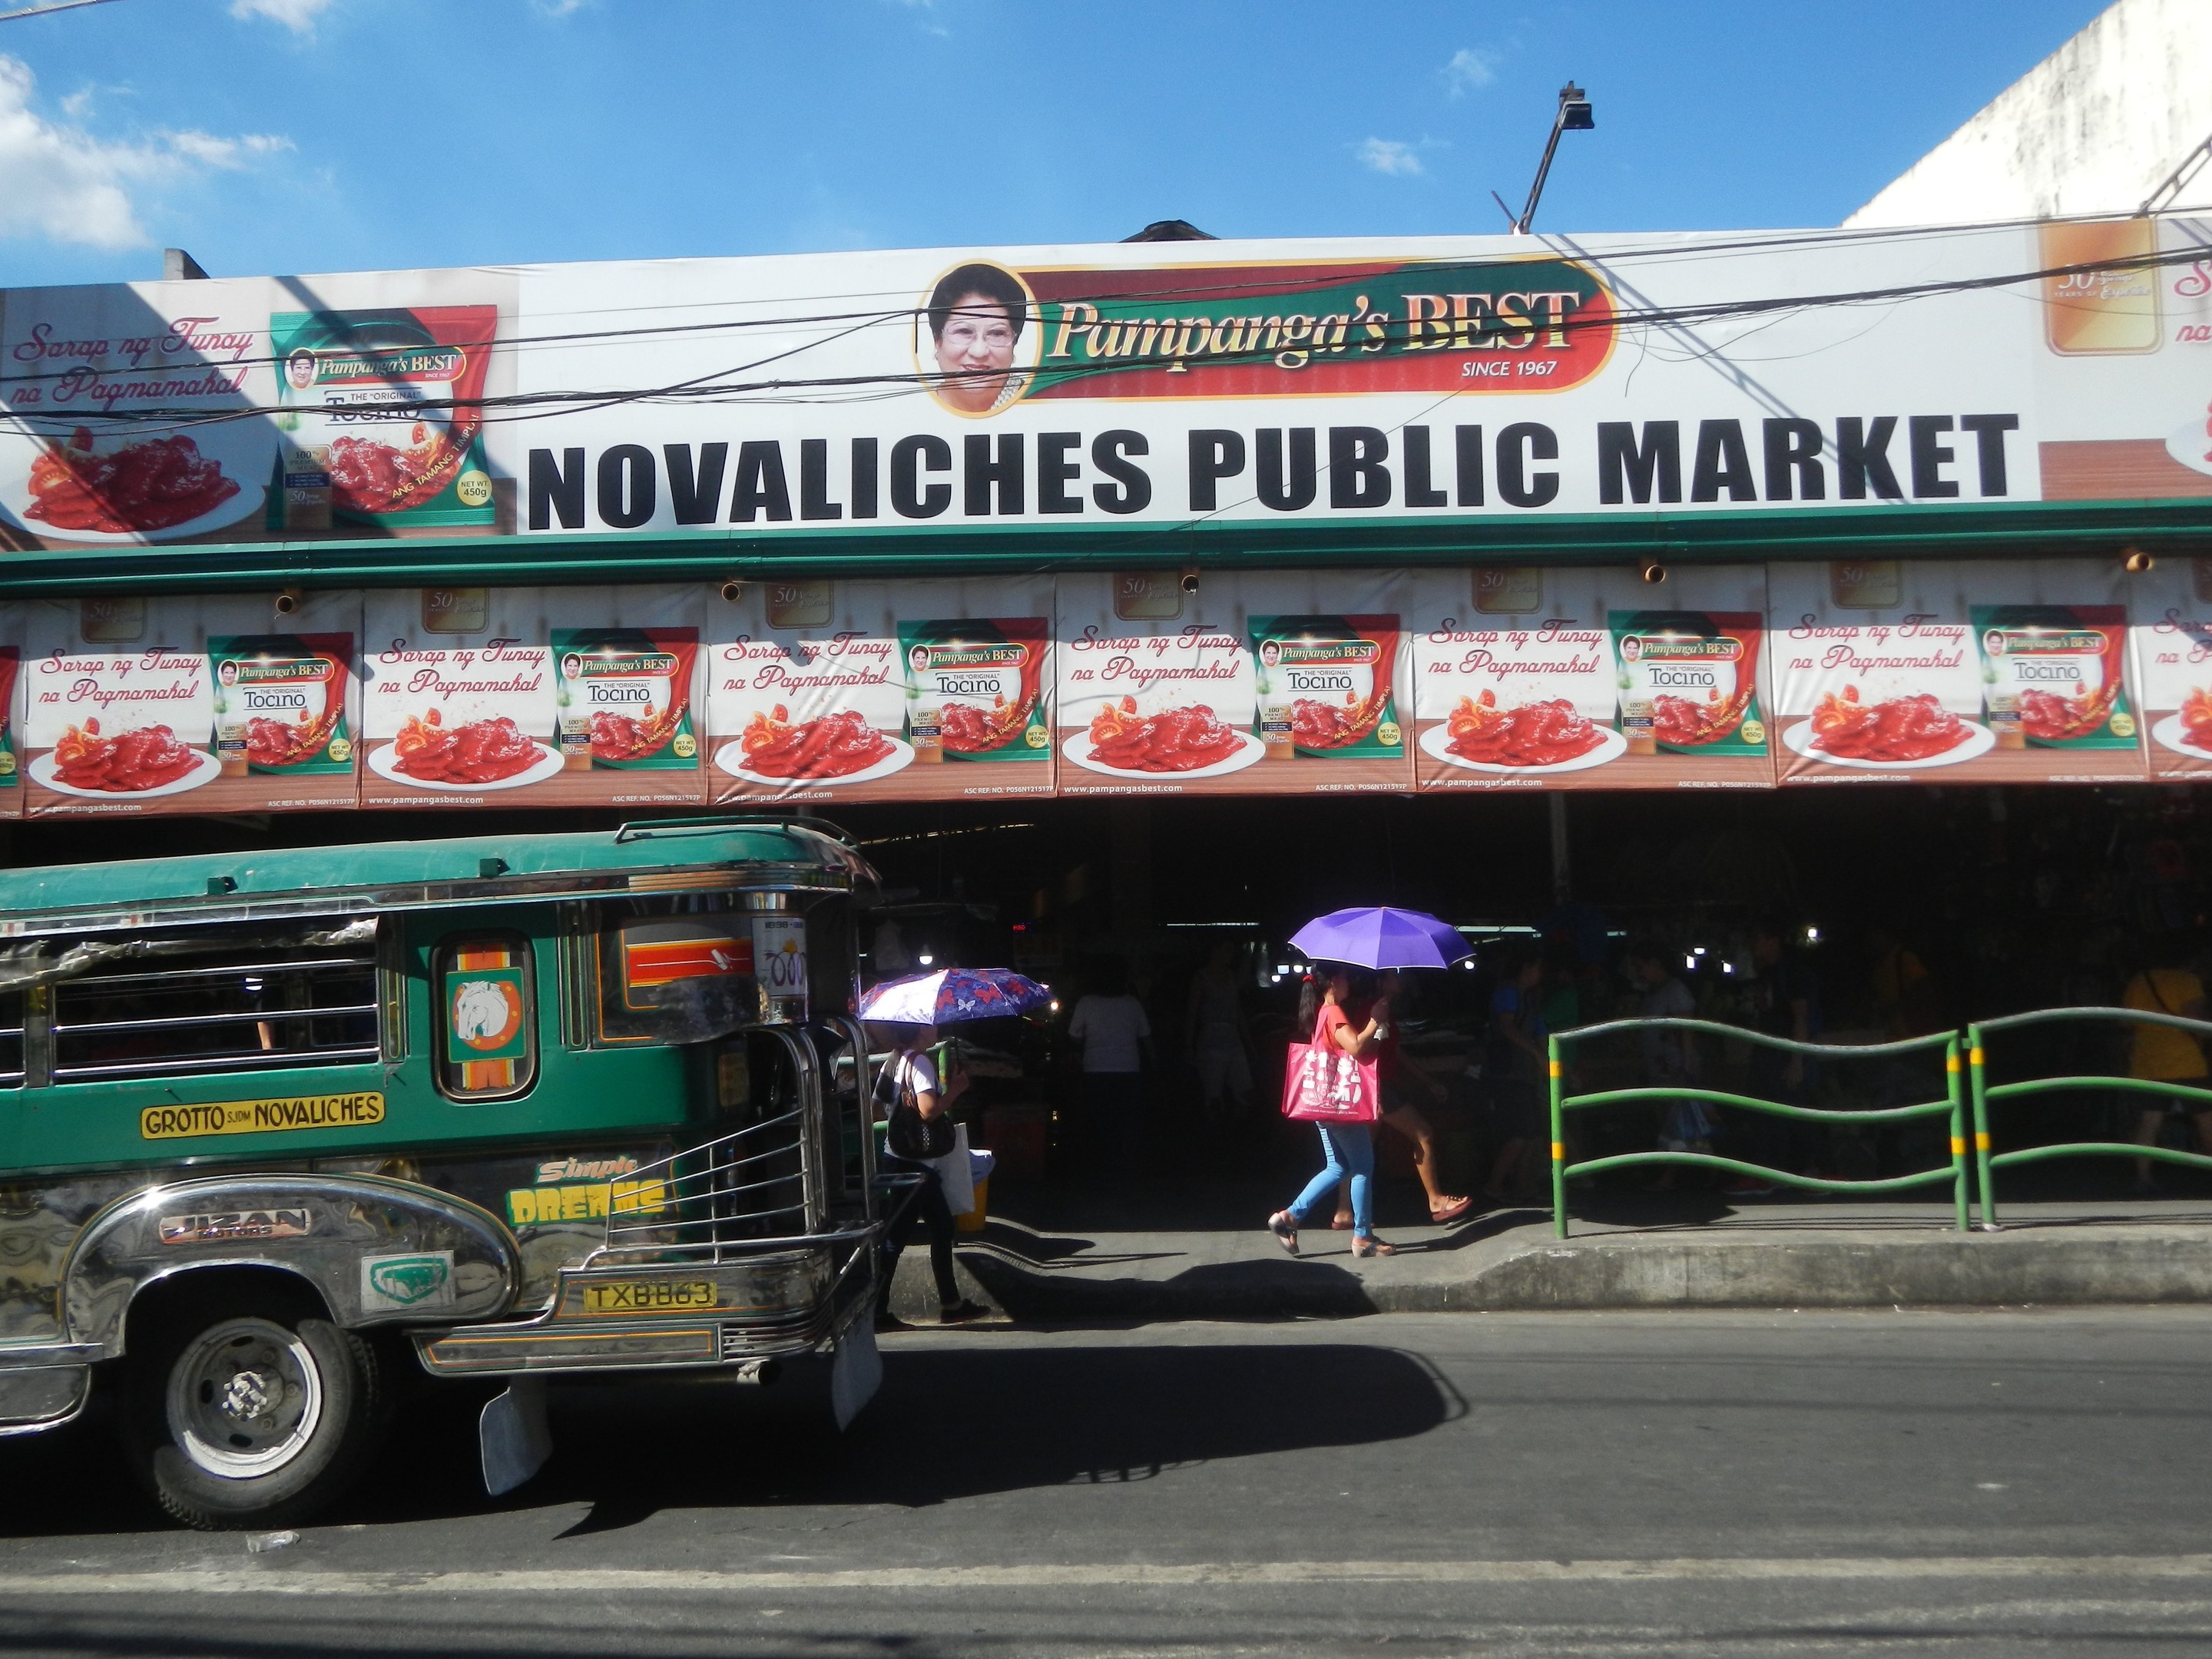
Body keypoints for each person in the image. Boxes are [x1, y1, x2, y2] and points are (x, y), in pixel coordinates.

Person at [1268, 964, 1396, 1258]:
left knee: (1338, 1166)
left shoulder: (1323, 1012)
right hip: (1340, 1106)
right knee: (1363, 1167)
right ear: (1334, 981)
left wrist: (1377, 1029)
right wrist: (1374, 1020)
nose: (1349, 981)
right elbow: (1355, 1047)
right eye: (1345, 976)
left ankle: (1289, 1217)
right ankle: (1362, 1236)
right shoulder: (1334, 1011)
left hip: (1324, 1105)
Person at [1331, 968, 1473, 1227]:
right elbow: (1362, 1050)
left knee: (1360, 1150)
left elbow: (1395, 1052)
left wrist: (1427, 1081)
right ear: (1381, 981)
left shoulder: (1381, 1008)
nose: (1401, 979)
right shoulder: (1372, 1009)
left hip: (1376, 1086)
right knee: (1423, 1134)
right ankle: (1436, 1201)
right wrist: (1377, 1025)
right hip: (1377, 1086)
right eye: (1395, 975)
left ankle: (1343, 1211)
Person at [873, 1023, 989, 1327]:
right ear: (921, 1030)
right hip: (915, 1164)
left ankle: (951, 1304)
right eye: (930, 1024)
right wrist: (956, 1090)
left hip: (898, 1157)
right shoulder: (921, 1062)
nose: (935, 1027)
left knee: (941, 1227)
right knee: (896, 1238)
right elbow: (928, 1111)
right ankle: (876, 1312)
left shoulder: (893, 1061)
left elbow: (876, 1109)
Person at [1729, 920, 1818, 1197]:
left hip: (1785, 1052)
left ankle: (1807, 1172)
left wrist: (1797, 1060)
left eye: (1757, 939)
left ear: (1773, 941)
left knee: (1790, 1113)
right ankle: (1769, 1173)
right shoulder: (1766, 973)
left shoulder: (1792, 972)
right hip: (1766, 1052)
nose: (1752, 946)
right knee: (1762, 1114)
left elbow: (1801, 1016)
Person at [2123, 936, 2212, 1193]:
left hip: (2148, 1062)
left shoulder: (2140, 980)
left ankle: (2143, 1177)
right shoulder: (2187, 981)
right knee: (2205, 1118)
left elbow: (2125, 1021)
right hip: (2185, 1061)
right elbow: (2196, 1019)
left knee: (2149, 1121)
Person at [1624, 942, 1708, 1189]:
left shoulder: (1675, 990)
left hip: (1674, 1066)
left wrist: (1687, 1065)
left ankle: (1672, 1175)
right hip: (1659, 1066)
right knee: (1667, 1121)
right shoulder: (1653, 992)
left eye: (1641, 966)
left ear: (1655, 964)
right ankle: (1688, 1173)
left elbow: (1686, 1030)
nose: (1638, 972)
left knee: (1676, 1122)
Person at [1480, 950, 1548, 1201]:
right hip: (1507, 1074)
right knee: (1520, 1133)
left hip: (1526, 1075)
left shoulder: (1529, 999)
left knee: (1534, 1134)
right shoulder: (1507, 993)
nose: (1541, 973)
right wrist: (1536, 1054)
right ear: (1527, 967)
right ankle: (1494, 1185)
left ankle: (1524, 1186)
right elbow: (1507, 1027)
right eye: (1538, 967)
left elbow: (1541, 1035)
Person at [1068, 958, 1151, 1160]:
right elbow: (1145, 1035)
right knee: (1127, 1114)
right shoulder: (1132, 1004)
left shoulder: (1086, 1003)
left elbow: (1074, 1036)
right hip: (1128, 1066)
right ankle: (1127, 1153)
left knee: (1102, 1115)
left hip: (1096, 1066)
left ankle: (1107, 1155)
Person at [923, 262, 1029, 415]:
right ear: (937, 340)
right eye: (964, 331)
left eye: (996, 333)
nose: (979, 352)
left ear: (1014, 341)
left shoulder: (1037, 401)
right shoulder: (915, 408)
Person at [1184, 940, 1252, 1123]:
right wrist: (1188, 1045)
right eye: (1226, 950)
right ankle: (1214, 1130)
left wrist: (1247, 1042)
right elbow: (1193, 1012)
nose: (1230, 955)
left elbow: (1238, 1011)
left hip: (1232, 1037)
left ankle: (1238, 1129)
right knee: (1213, 1093)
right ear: (1215, 951)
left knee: (1245, 1090)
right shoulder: (1201, 978)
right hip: (1212, 1037)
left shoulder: (1232, 977)